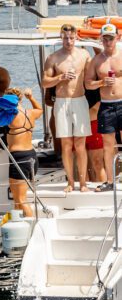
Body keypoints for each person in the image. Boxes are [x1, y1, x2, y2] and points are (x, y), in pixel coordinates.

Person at [43, 23, 91, 192]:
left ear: (76, 37)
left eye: (71, 38)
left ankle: (83, 183)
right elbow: (44, 82)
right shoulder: (53, 58)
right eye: (65, 38)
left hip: (79, 99)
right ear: (61, 38)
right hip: (62, 101)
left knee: (80, 144)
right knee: (66, 144)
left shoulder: (84, 55)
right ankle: (70, 182)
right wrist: (61, 77)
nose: (68, 41)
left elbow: (94, 73)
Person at [85, 23, 122, 192]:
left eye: (111, 38)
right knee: (108, 145)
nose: (108, 42)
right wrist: (102, 82)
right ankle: (110, 181)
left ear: (118, 37)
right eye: (105, 38)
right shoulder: (97, 60)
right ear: (101, 39)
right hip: (107, 106)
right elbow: (88, 84)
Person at [6, 87, 43, 217]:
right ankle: (20, 225)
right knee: (17, 200)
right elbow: (40, 110)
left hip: (19, 158)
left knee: (21, 200)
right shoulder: (30, 113)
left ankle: (32, 227)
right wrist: (31, 98)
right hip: (31, 155)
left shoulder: (11, 114)